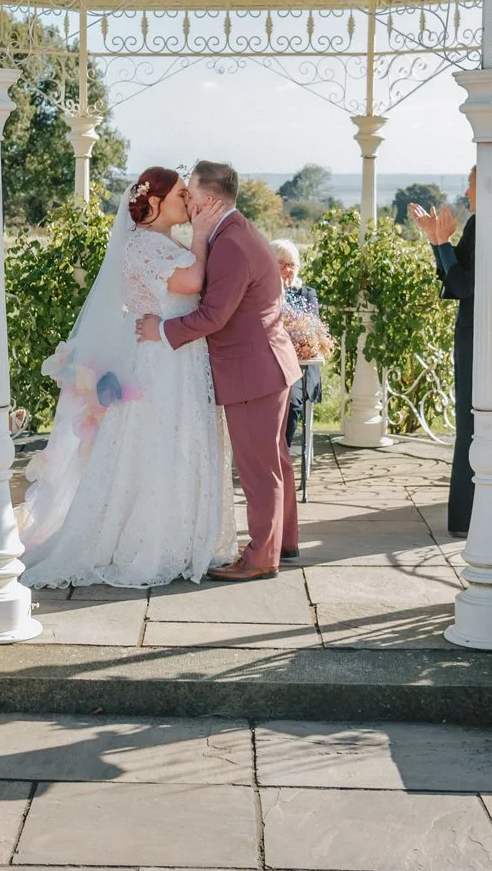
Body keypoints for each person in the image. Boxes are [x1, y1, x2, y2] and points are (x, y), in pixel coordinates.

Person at [21, 167, 235, 588]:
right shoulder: (141, 246)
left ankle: (185, 536)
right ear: (152, 202)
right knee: (155, 442)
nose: (187, 202)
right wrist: (203, 235)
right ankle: (147, 542)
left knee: (183, 441)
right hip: (160, 361)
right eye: (179, 194)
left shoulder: (161, 241)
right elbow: (192, 280)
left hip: (180, 356)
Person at [137, 160, 301, 581]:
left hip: (252, 370)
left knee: (258, 468)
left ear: (208, 200)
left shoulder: (229, 242)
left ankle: (261, 557)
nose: (187, 200)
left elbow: (213, 316)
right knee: (274, 461)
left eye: (190, 193)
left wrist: (162, 330)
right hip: (267, 363)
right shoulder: (235, 230)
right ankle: (282, 540)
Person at [409, 164, 492, 538]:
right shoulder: (477, 226)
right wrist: (435, 241)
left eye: (473, 185)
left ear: (489, 187)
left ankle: (474, 517)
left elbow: (464, 285)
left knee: (476, 424)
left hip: (485, 340)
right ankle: (464, 516)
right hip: (469, 334)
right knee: (466, 422)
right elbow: (451, 275)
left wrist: (441, 243)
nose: (468, 193)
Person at [273, 238, 324, 456]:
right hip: (269, 364)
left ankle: (279, 455)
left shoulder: (306, 294)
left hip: (300, 368)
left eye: (292, 265)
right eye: (282, 264)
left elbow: (310, 331)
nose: (288, 270)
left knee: (290, 406)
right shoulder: (259, 293)